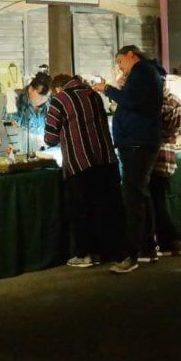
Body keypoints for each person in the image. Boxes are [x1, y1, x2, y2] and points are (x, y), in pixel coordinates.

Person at [93, 45, 165, 275]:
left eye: (121, 62)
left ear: (131, 55)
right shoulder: (146, 74)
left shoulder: (143, 72)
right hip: (139, 140)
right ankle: (149, 248)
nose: (120, 67)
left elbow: (130, 100)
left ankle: (131, 254)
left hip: (137, 142)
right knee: (141, 194)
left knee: (133, 197)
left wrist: (108, 89)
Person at [45, 74, 122, 267]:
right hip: (106, 160)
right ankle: (109, 252)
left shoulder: (60, 99)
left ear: (57, 88)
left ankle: (84, 254)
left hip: (80, 163)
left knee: (81, 210)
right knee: (106, 209)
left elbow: (50, 138)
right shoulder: (94, 95)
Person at [149, 88, 181, 258]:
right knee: (160, 199)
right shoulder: (175, 100)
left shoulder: (155, 103)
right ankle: (168, 243)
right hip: (168, 154)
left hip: (156, 155)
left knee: (157, 202)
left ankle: (175, 240)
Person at [16, 71, 52, 154]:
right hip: (22, 152)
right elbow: (9, 129)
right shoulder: (17, 100)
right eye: (41, 94)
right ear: (31, 89)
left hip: (46, 152)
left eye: (47, 95)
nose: (44, 98)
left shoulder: (50, 102)